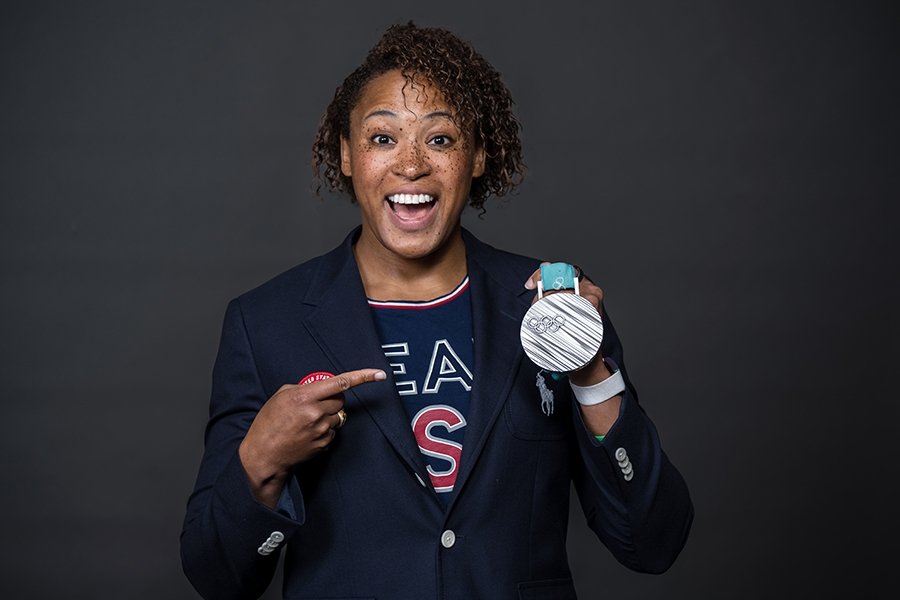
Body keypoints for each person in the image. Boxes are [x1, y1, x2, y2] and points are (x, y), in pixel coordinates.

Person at [181, 22, 693, 600]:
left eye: (441, 140)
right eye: (382, 139)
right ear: (346, 155)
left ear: (476, 156)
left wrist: (591, 373)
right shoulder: (265, 323)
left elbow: (654, 542)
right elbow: (217, 576)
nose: (411, 165)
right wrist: (261, 459)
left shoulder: (551, 306)